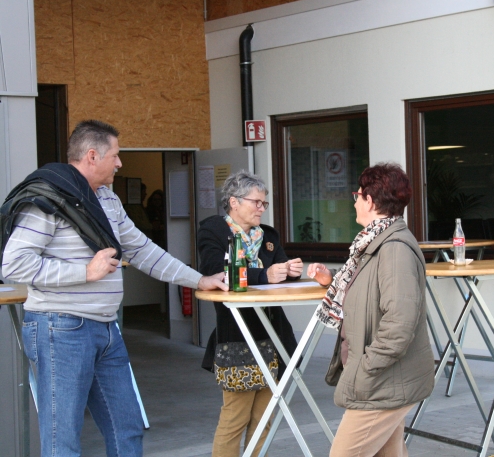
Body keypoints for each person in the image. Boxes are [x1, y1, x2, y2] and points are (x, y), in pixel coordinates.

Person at [0, 120, 228, 457]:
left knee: (127, 427)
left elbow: (141, 249)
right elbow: (13, 265)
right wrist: (84, 272)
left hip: (106, 328)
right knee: (62, 438)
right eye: (116, 156)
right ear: (92, 156)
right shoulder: (48, 200)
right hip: (60, 328)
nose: (120, 163)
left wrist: (198, 279)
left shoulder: (107, 199)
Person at [307, 162, 434, 457]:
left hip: (383, 381)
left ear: (370, 200)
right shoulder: (373, 243)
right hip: (384, 379)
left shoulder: (393, 248)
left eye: (357, 195)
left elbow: (400, 322)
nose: (354, 202)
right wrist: (331, 280)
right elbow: (368, 291)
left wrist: (366, 369)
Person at [197, 170, 303, 457]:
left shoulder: (268, 235)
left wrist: (290, 270)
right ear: (234, 201)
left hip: (274, 334)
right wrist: (265, 275)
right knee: (235, 417)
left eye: (264, 203)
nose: (261, 208)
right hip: (238, 336)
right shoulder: (213, 231)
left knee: (264, 418)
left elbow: (278, 270)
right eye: (256, 202)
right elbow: (215, 272)